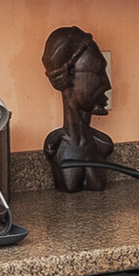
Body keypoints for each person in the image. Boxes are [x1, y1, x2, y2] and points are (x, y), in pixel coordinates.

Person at [41, 26, 116, 192]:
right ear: (68, 74)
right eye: (98, 72)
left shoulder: (103, 144)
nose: (107, 84)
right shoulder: (55, 145)